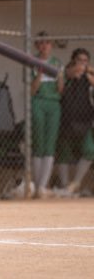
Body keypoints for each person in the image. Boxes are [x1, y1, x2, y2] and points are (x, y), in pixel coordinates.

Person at [55, 48, 94, 195]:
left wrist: (88, 72)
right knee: (63, 154)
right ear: (73, 61)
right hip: (66, 121)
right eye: (79, 60)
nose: (82, 64)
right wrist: (73, 72)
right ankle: (65, 187)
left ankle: (76, 183)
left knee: (90, 151)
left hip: (84, 122)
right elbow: (61, 84)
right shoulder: (66, 74)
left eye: (85, 61)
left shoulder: (88, 77)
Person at [31, 31, 64, 198]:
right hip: (38, 101)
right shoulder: (33, 61)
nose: (44, 46)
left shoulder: (57, 62)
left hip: (53, 103)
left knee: (50, 145)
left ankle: (42, 186)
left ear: (51, 45)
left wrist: (59, 75)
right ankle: (36, 186)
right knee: (39, 143)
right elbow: (32, 89)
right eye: (41, 43)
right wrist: (40, 72)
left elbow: (60, 89)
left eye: (47, 43)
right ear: (37, 45)